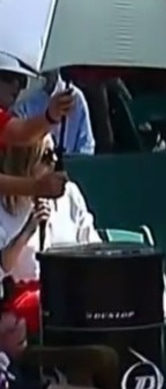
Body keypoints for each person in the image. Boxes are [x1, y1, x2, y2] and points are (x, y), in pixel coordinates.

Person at [0, 136, 101, 334]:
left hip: (72, 293)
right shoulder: (4, 205)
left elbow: (92, 245)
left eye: (55, 153)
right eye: (46, 156)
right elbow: (3, 266)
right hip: (21, 302)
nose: (54, 160)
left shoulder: (70, 194)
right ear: (27, 162)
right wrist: (29, 229)